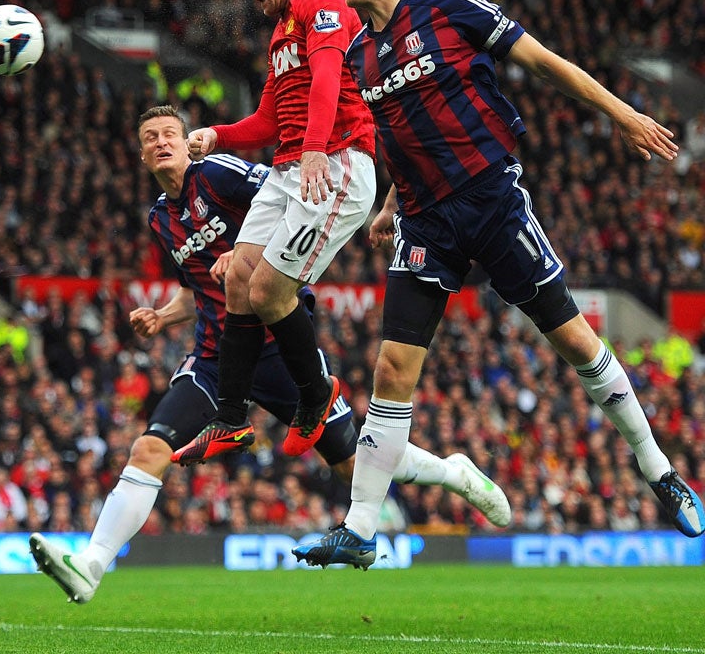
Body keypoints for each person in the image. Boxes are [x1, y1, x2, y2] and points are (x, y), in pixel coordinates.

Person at [293, 0, 703, 569]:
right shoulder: (359, 55)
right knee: (391, 370)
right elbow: (402, 134)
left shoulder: (447, 6)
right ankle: (362, 528)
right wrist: (390, 204)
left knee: (572, 340)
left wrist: (622, 114)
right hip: (425, 222)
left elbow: (542, 61)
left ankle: (658, 469)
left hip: (490, 202)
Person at [28, 107, 508, 604]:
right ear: (143, 153)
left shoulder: (217, 172)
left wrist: (243, 252)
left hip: (278, 346)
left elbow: (292, 196)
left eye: (170, 132)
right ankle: (91, 566)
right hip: (216, 358)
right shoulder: (160, 218)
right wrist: (163, 316)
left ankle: (454, 473)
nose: (162, 141)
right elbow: (197, 287)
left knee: (354, 467)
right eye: (151, 137)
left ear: (187, 139)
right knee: (150, 448)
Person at [172, 0, 378, 465]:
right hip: (290, 167)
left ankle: (316, 394)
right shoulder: (282, 32)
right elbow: (267, 120)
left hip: (336, 163)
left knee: (266, 290)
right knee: (239, 276)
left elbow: (331, 73)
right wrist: (217, 135)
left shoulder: (321, 2)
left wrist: (314, 150)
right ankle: (231, 420)